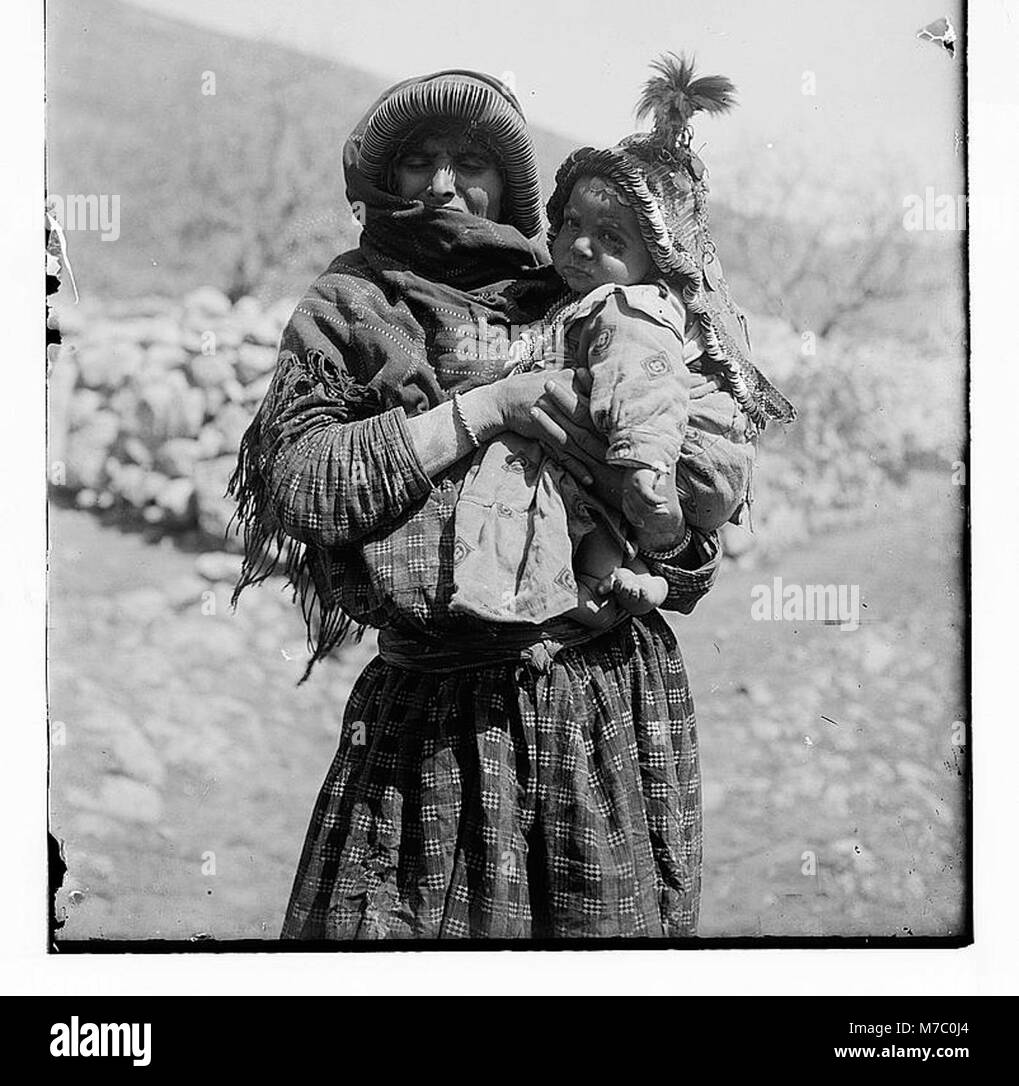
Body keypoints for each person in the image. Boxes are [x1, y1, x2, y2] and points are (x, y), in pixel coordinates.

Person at [230, 68, 723, 939]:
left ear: (510, 186)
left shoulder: (579, 290)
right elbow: (299, 484)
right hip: (432, 721)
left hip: (598, 697)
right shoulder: (347, 307)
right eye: (417, 161)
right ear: (383, 183)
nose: (445, 184)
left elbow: (688, 510)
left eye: (472, 163)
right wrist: (483, 408)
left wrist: (667, 540)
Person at [451, 56, 795, 629]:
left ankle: (586, 582)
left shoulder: (632, 307)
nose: (581, 247)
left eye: (610, 237)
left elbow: (643, 383)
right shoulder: (575, 298)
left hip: (675, 456)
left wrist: (644, 463)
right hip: (674, 468)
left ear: (656, 256)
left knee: (554, 450)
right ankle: (634, 573)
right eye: (572, 226)